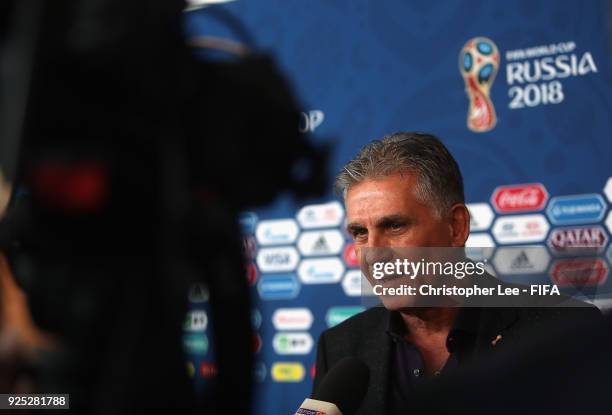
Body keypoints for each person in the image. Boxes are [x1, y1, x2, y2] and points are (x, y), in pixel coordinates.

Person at [312, 132, 602, 414]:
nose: (373, 253)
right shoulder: (340, 346)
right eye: (360, 232)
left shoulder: (564, 330)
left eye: (394, 226)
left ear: (456, 227)